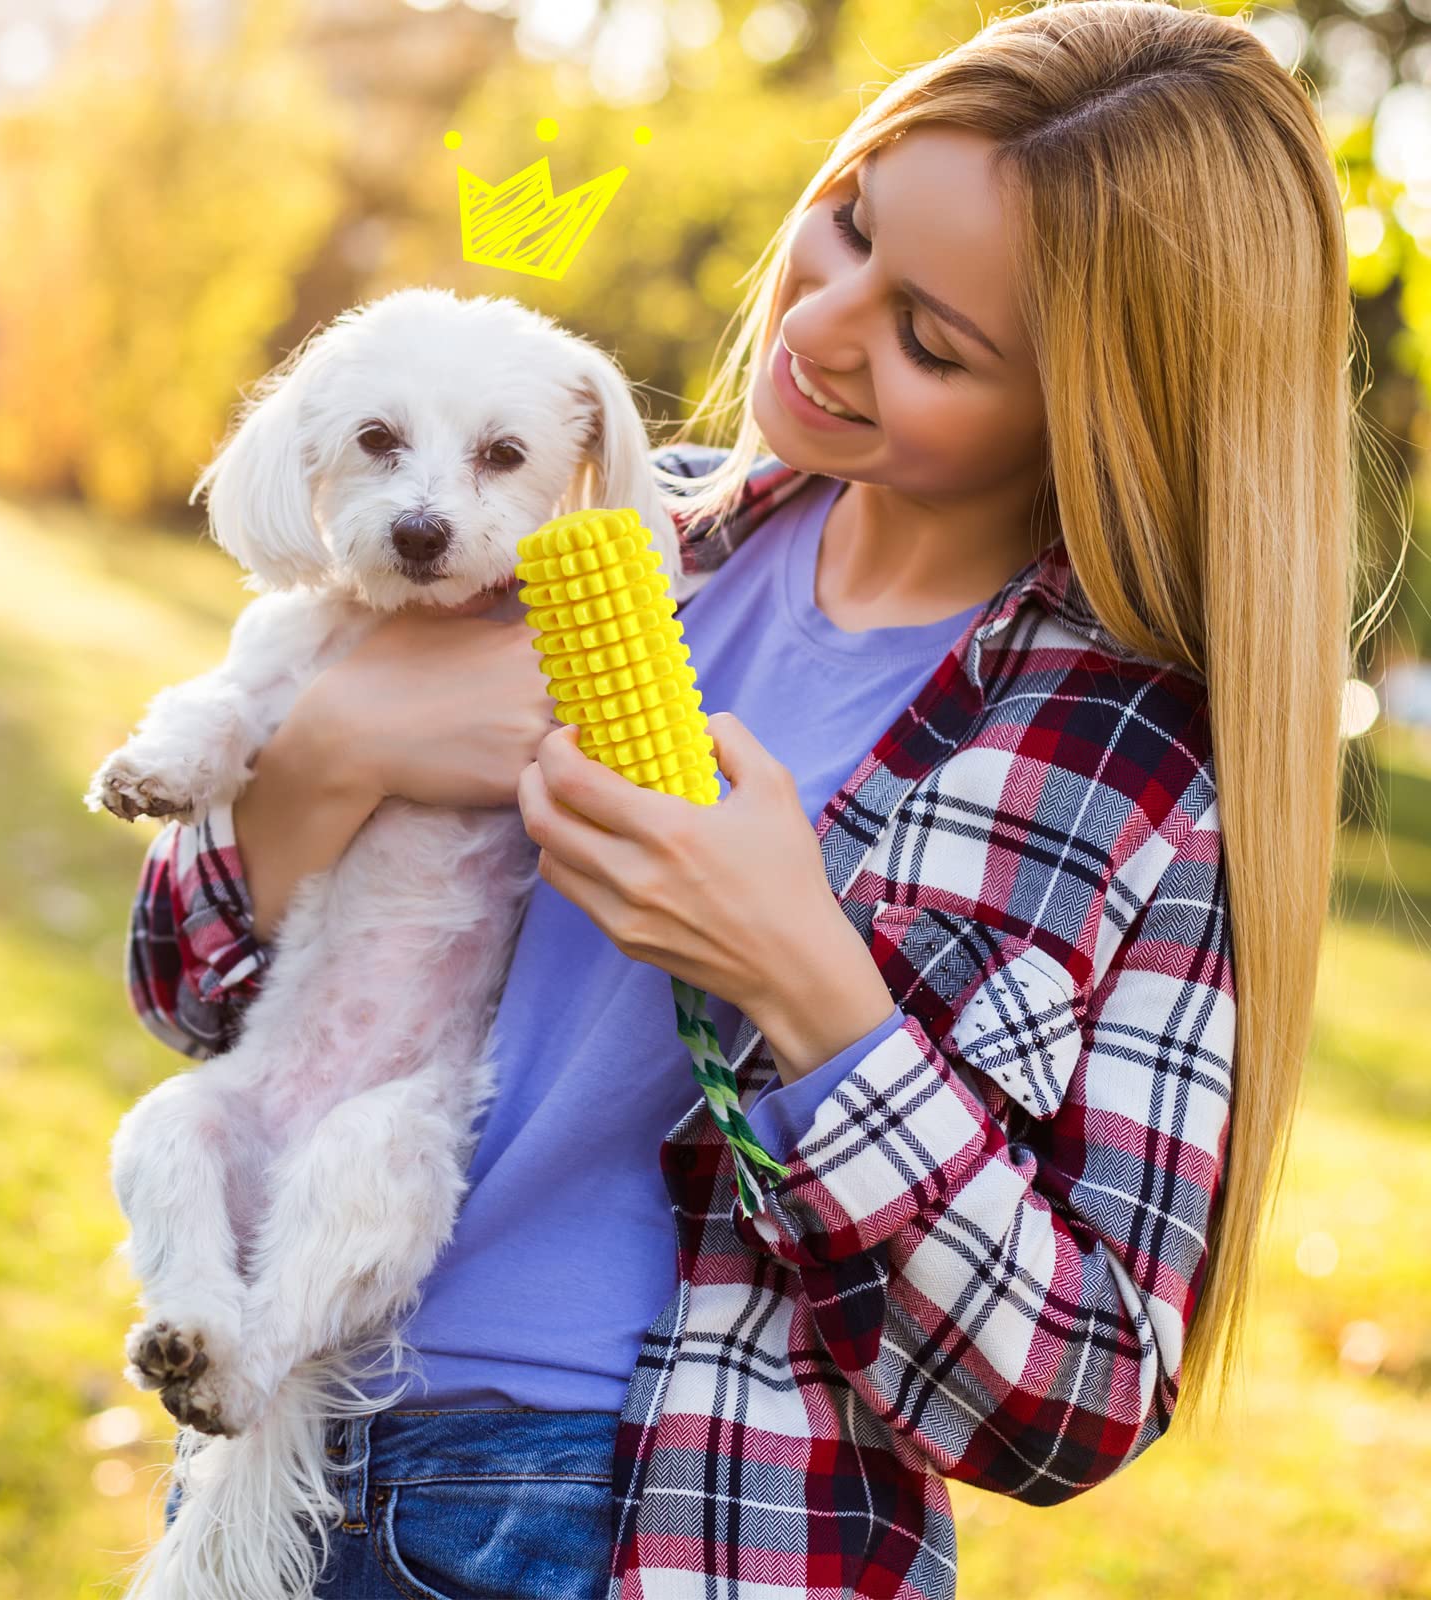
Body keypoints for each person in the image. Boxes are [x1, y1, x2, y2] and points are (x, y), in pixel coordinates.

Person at [123, 2, 1376, 1595]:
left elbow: (1073, 1401)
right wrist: (338, 749)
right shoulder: (602, 543)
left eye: (932, 340)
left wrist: (806, 982)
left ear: (1100, 409)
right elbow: (189, 989)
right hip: (288, 1458)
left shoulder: (1129, 770)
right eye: (845, 222)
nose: (824, 322)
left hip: (653, 1520)